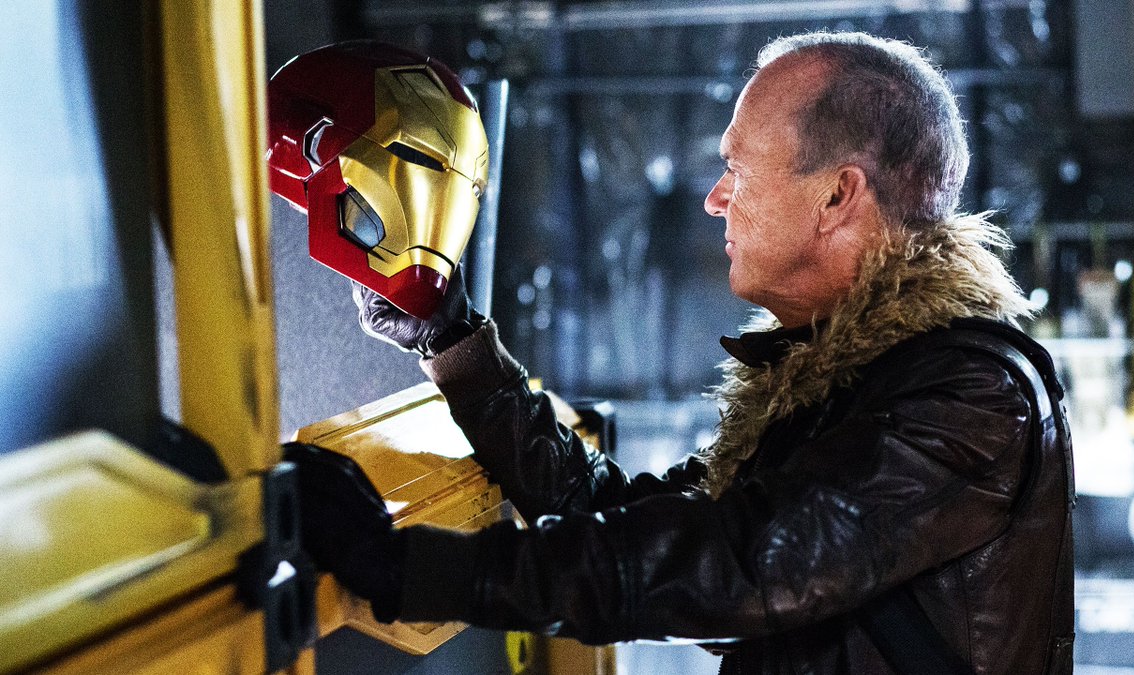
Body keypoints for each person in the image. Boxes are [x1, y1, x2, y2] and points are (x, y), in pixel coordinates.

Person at [286, 31, 1075, 674]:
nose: (714, 198)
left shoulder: (971, 397)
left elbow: (734, 565)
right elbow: (618, 519)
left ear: (837, 195)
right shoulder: (835, 387)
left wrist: (403, 567)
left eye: (737, 168)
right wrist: (452, 339)